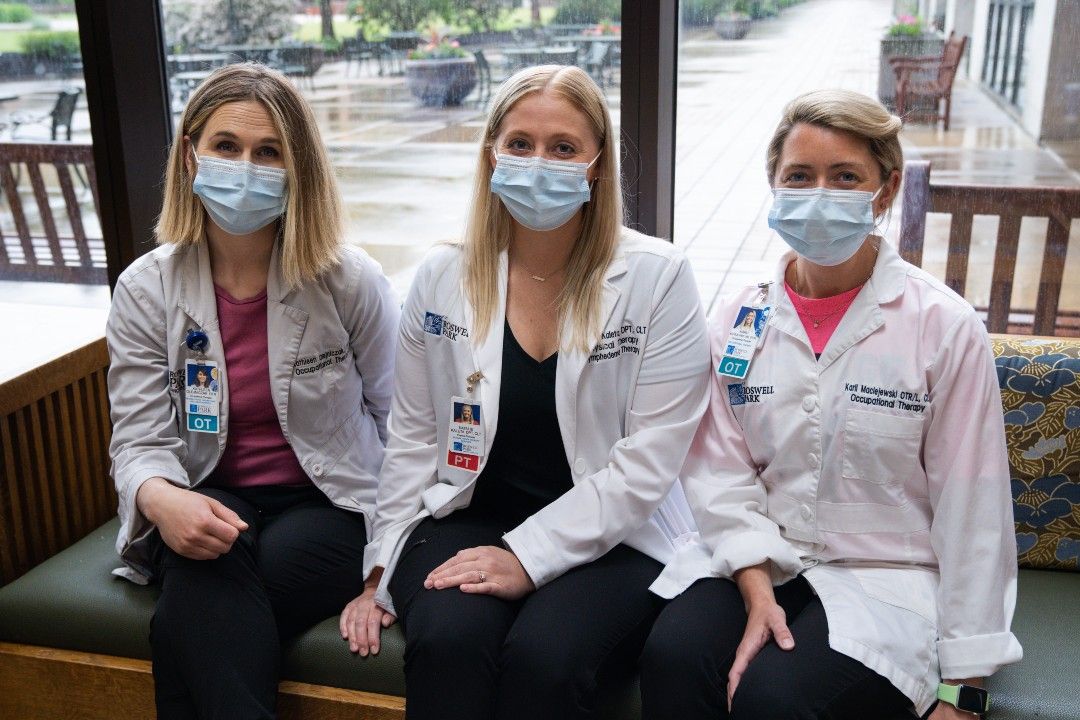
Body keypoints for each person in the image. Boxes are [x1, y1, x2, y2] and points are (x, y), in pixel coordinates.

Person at [340, 65, 710, 720]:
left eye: (563, 148)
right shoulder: (441, 276)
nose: (539, 162)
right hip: (470, 515)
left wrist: (526, 556)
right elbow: (414, 442)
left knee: (547, 658)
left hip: (616, 535)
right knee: (446, 642)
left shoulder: (659, 277)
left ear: (596, 166)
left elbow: (649, 465)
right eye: (520, 144)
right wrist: (378, 572)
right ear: (491, 154)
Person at [641, 89, 1022, 720]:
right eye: (800, 176)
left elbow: (973, 511)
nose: (819, 194)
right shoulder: (741, 317)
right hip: (761, 559)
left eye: (845, 177)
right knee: (673, 658)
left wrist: (965, 687)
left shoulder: (943, 327)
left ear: (886, 189)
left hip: (890, 578)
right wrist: (756, 584)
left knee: (776, 701)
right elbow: (720, 472)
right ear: (774, 185)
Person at [106, 63, 399, 719]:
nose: (246, 167)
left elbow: (404, 423)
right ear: (191, 156)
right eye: (227, 147)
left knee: (195, 604)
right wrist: (161, 500)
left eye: (270, 153)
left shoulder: (350, 280)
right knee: (212, 559)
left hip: (331, 499)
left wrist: (385, 566)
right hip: (210, 494)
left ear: (299, 168)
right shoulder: (146, 289)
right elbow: (139, 437)